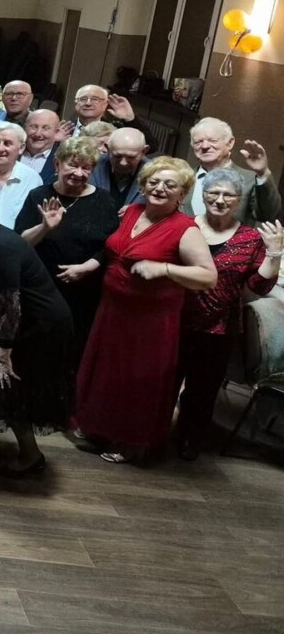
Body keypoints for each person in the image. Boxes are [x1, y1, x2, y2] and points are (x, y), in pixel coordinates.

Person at [66, 157, 218, 463]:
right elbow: (112, 251)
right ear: (143, 185)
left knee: (137, 379)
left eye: (170, 185)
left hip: (150, 319)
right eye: (153, 182)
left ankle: (132, 441)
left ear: (182, 194)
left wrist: (164, 268)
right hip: (113, 310)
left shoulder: (185, 229)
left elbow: (208, 276)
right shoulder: (132, 211)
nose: (159, 188)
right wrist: (89, 266)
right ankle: (102, 429)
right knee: (109, 373)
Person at [0, 184, 73, 476]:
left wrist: (2, 356)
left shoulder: (2, 247)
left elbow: (9, 306)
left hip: (39, 327)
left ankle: (31, 456)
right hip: (11, 321)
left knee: (11, 384)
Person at [175, 170, 282, 459]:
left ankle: (189, 439)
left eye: (228, 195)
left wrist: (274, 254)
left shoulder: (250, 237)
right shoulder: (184, 226)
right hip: (173, 319)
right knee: (163, 381)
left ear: (238, 200)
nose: (220, 200)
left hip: (219, 327)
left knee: (202, 390)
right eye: (213, 192)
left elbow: (258, 285)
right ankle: (152, 434)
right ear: (203, 195)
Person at [16, 137, 119, 371]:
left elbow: (111, 246)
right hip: (41, 290)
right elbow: (21, 242)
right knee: (36, 355)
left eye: (86, 167)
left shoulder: (104, 201)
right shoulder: (38, 195)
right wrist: (44, 227)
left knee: (73, 356)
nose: (79, 173)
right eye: (72, 165)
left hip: (84, 292)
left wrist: (87, 267)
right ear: (57, 164)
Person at [184, 117, 281, 225]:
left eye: (212, 141)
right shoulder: (184, 178)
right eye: (198, 142)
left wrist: (263, 173)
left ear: (230, 143)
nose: (205, 146)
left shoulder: (249, 179)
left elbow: (269, 215)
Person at [70, 84, 156, 150]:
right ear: (75, 104)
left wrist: (131, 119)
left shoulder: (116, 129)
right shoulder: (65, 129)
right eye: (83, 99)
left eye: (95, 99)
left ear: (105, 104)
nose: (88, 103)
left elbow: (151, 146)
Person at [90, 127, 149, 208]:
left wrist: (135, 212)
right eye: (117, 156)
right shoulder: (92, 165)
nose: (123, 163)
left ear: (144, 151)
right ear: (107, 148)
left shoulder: (154, 173)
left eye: (130, 157)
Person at [20, 109, 62, 185]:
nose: (38, 134)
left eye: (45, 128)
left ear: (56, 132)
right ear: (25, 128)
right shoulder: (11, 152)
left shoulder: (62, 160)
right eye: (34, 127)